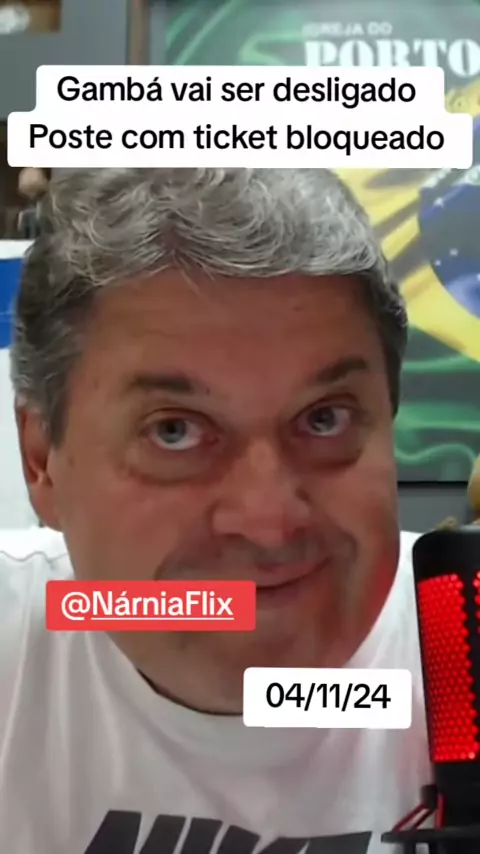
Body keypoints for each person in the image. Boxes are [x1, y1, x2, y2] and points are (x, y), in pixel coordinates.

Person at [0, 168, 430, 854]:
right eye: (174, 431)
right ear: (41, 462)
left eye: (324, 418)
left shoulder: (457, 644)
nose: (269, 520)